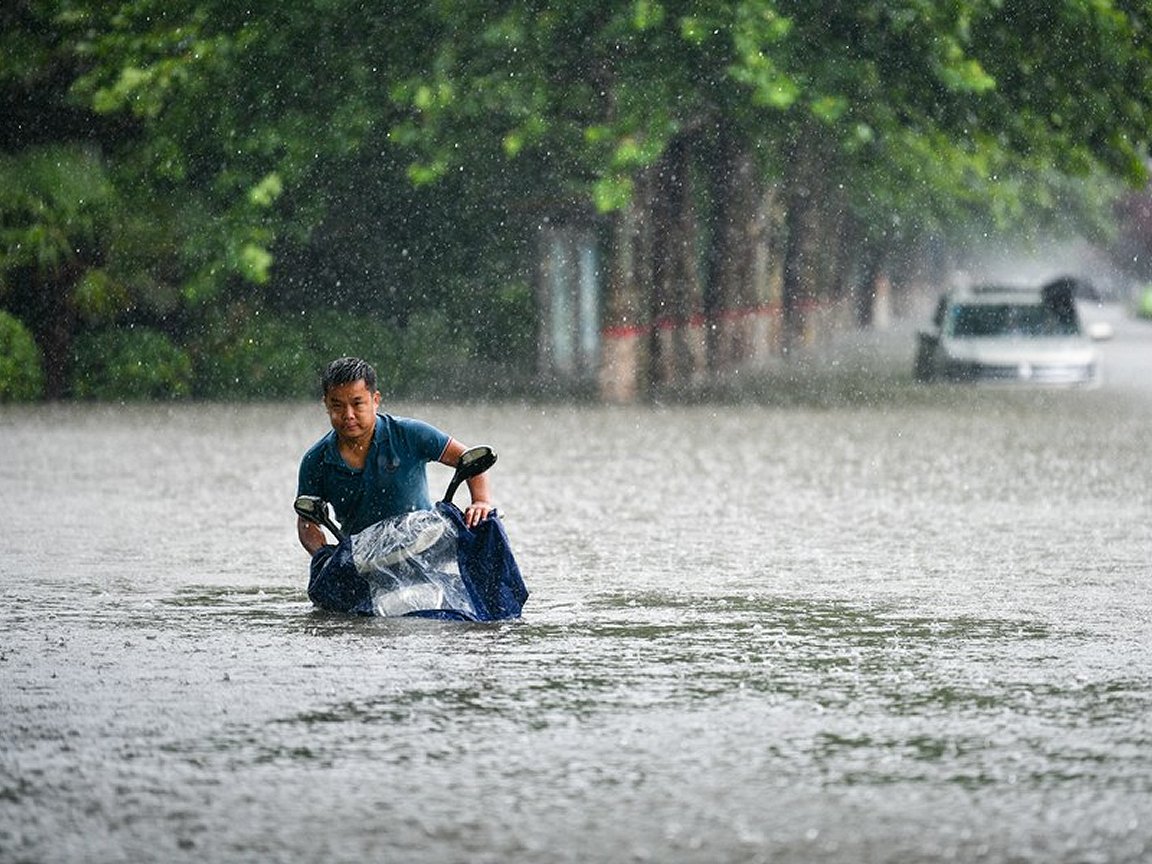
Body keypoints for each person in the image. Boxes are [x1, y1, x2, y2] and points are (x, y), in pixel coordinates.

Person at [296, 356, 493, 555]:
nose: (348, 415)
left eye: (357, 404)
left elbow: (470, 460)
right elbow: (307, 522)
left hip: (422, 547)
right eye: (337, 406)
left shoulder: (411, 434)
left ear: (375, 400)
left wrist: (480, 501)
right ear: (326, 405)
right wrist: (324, 554)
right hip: (363, 561)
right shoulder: (315, 460)